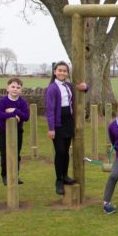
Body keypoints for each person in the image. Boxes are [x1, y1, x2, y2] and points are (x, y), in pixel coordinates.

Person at [45, 61, 88, 195]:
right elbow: (50, 109)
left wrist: (86, 87)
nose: (62, 73)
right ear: (54, 72)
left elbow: (82, 88)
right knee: (60, 152)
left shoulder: (68, 85)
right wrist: (51, 128)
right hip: (58, 123)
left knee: (66, 152)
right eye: (60, 70)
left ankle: (65, 176)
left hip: (68, 121)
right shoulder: (52, 88)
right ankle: (58, 180)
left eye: (64, 71)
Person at [0, 77, 30, 186]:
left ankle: (15, 175)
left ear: (21, 90)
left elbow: (26, 116)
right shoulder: (3, 101)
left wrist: (15, 111)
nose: (15, 89)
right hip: (3, 132)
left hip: (18, 132)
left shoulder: (22, 102)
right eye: (13, 87)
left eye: (18, 87)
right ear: (7, 88)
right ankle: (5, 176)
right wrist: (13, 115)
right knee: (5, 155)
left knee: (16, 155)